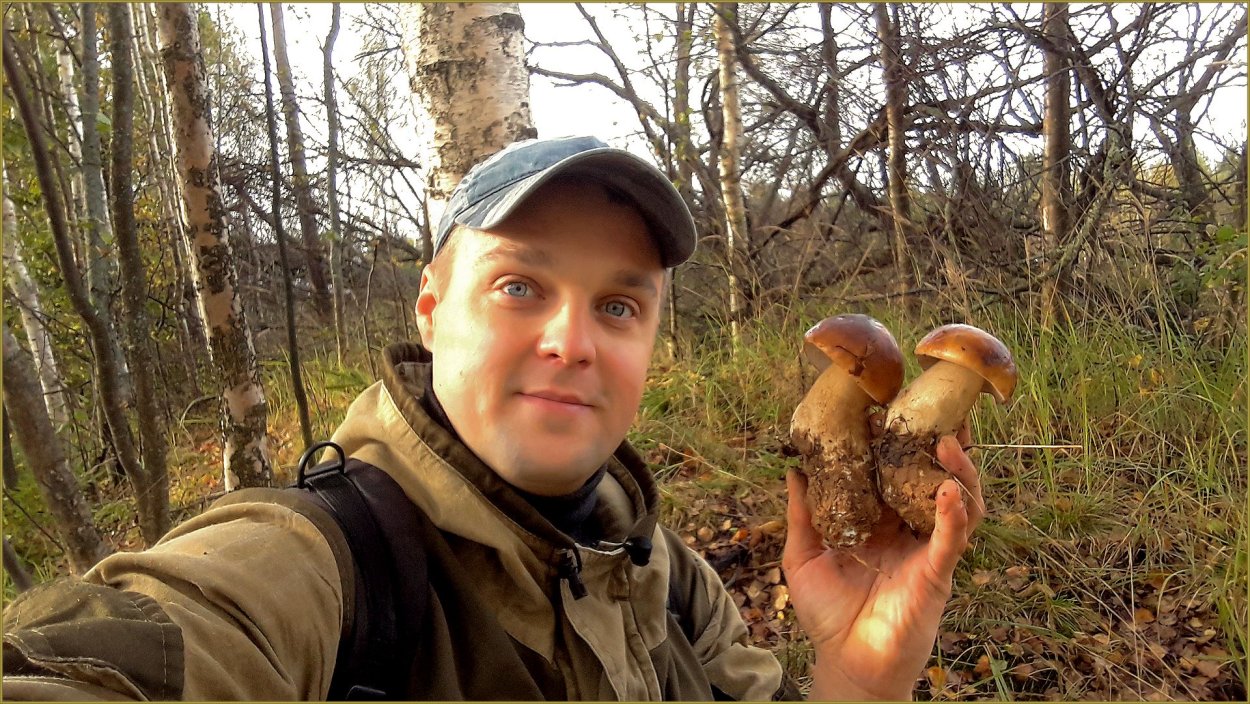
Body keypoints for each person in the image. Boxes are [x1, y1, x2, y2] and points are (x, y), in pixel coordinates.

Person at [1, 136, 984, 701]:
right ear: (430, 309)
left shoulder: (659, 567)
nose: (573, 341)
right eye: (518, 285)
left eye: (617, 304)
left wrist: (858, 672)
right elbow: (124, 655)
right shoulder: (313, 565)